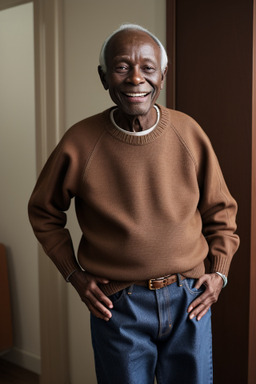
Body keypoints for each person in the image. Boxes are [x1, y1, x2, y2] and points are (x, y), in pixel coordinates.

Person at [28, 23, 239, 384]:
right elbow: (44, 212)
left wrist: (219, 272)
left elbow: (221, 211)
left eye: (147, 68)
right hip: (119, 306)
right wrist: (74, 275)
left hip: (189, 298)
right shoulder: (79, 142)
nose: (135, 78)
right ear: (103, 77)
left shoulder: (188, 132)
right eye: (122, 67)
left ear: (163, 74)